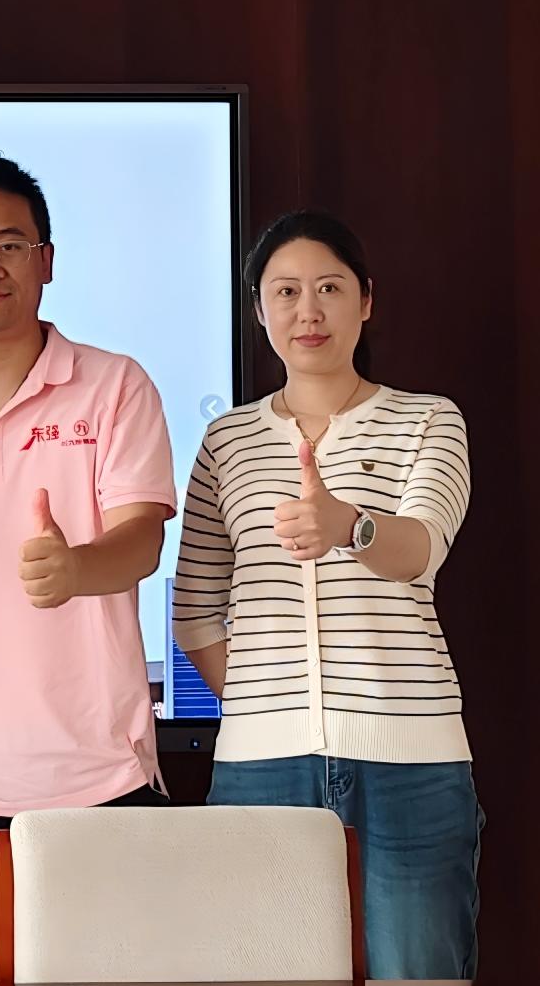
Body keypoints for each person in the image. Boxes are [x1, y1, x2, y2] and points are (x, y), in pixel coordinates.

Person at [0, 155, 176, 981]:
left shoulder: (114, 385)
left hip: (99, 771)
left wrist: (78, 567)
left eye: (9, 245)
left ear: (46, 260)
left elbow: (142, 541)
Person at [173, 209, 480, 981]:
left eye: (329, 288)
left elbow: (421, 550)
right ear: (259, 310)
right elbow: (196, 608)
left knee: (418, 972)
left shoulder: (428, 419)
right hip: (259, 766)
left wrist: (350, 526)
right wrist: (262, 703)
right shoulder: (228, 441)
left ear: (365, 299)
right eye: (285, 292)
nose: (307, 311)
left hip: (411, 759)